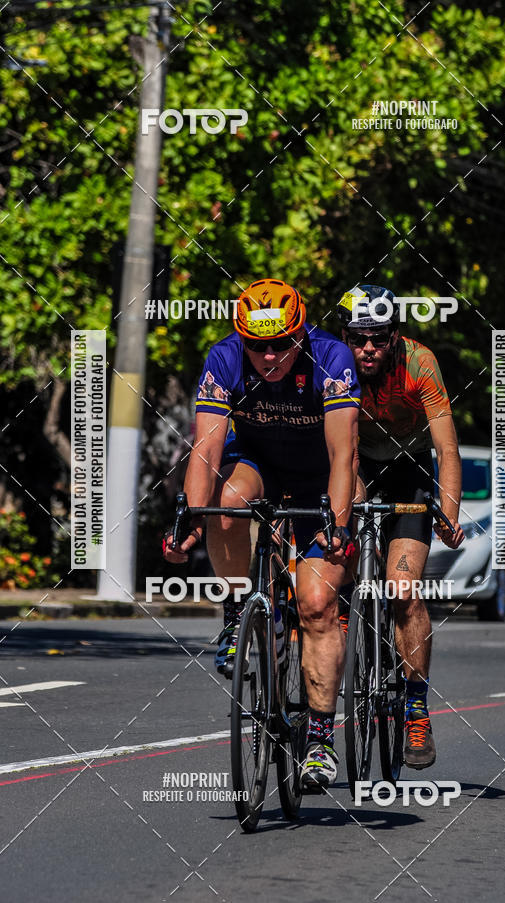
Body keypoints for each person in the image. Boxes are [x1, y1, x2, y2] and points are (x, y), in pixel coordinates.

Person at [164, 278, 360, 791]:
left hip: (320, 477)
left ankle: (319, 739)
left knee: (317, 605)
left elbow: (344, 457)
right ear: (242, 338)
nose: (270, 356)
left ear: (301, 334)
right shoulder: (224, 358)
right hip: (258, 467)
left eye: (281, 344)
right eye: (258, 345)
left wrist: (338, 525)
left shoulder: (332, 357)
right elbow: (205, 453)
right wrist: (187, 518)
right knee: (225, 503)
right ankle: (237, 610)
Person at [337, 284, 465, 769]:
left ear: (394, 335)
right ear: (345, 335)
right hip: (357, 464)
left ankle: (415, 706)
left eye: (378, 337)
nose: (367, 348)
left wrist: (448, 514)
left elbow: (447, 450)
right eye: (357, 337)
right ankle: (347, 621)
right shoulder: (334, 361)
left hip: (410, 468)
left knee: (404, 590)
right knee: (337, 539)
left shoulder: (420, 364)